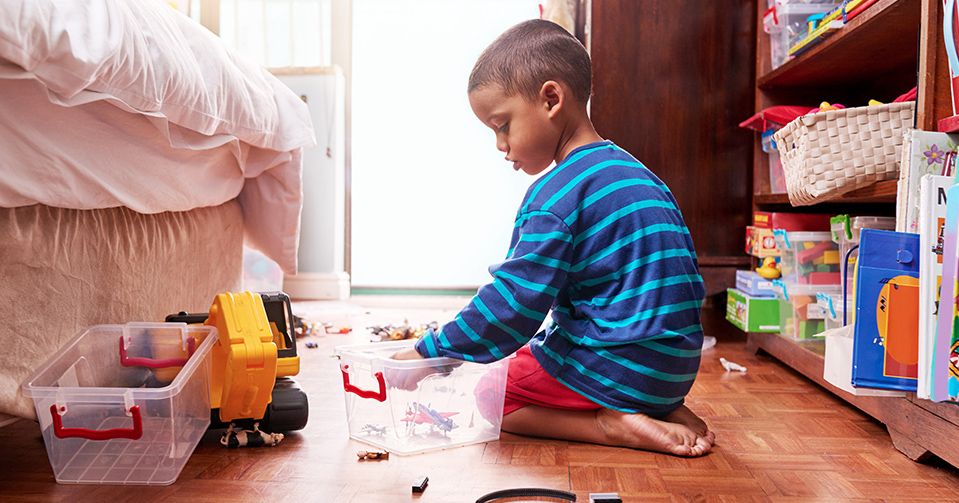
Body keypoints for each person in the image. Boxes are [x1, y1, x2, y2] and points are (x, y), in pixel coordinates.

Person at [392, 18, 714, 457]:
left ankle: (610, 423)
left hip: (617, 369)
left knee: (492, 394)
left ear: (550, 99)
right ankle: (658, 408)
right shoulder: (639, 174)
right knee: (549, 347)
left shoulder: (554, 196)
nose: (501, 146)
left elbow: (513, 306)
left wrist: (433, 354)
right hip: (673, 368)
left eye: (502, 125)